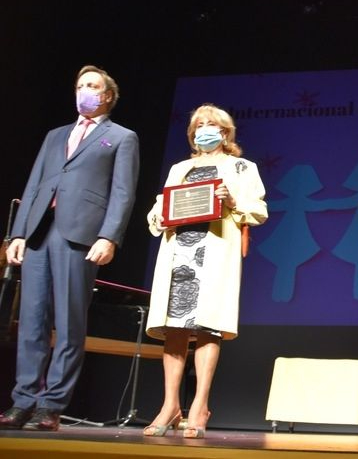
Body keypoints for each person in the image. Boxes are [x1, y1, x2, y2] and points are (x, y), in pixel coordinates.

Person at [0, 65, 140, 431]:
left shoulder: (122, 137)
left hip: (79, 236)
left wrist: (109, 236)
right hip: (39, 234)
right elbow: (34, 185)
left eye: (92, 86)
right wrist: (17, 234)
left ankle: (51, 406)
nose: (85, 91)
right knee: (30, 321)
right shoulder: (55, 135)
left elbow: (123, 193)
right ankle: (23, 400)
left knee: (68, 322)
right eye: (80, 86)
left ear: (107, 95)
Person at [143, 104, 267, 439]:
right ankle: (170, 405)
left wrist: (231, 203)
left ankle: (199, 405)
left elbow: (258, 209)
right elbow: (157, 211)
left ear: (225, 132)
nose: (204, 129)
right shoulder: (179, 168)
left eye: (211, 124)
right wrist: (161, 216)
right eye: (198, 124)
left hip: (212, 253)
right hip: (178, 253)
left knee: (209, 326)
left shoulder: (241, 167)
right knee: (175, 328)